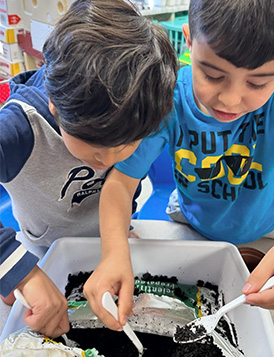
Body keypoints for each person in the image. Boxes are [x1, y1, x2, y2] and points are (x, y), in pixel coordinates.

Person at [82, 0, 274, 331]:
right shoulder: (168, 99)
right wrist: (113, 251)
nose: (229, 99)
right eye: (212, 74)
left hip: (262, 232)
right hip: (190, 224)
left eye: (258, 84)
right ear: (189, 40)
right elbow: (120, 183)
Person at [0, 0, 177, 337]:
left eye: (129, 143)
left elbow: (124, 184)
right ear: (54, 104)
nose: (111, 160)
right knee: (18, 301)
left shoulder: (143, 106)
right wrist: (18, 269)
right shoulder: (19, 128)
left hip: (115, 232)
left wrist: (117, 242)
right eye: (94, 149)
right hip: (43, 244)